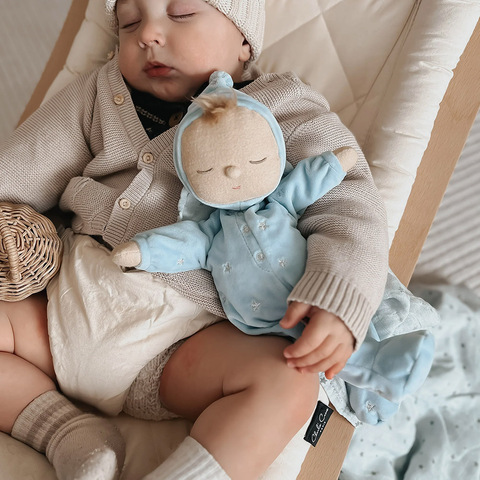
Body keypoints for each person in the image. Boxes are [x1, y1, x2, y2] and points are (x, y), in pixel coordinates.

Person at [0, 1, 389, 479]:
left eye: (181, 13)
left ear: (243, 40)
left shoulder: (282, 104)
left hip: (178, 348)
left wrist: (337, 296)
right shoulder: (98, 93)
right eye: (129, 22)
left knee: (288, 382)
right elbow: (19, 169)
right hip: (60, 307)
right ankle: (67, 433)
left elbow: (348, 204)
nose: (148, 35)